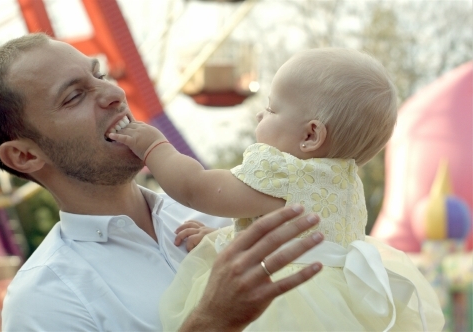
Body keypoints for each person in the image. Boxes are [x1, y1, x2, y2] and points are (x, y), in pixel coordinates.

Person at [0, 32, 327, 331]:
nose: (114, 94)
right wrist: (213, 322)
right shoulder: (45, 300)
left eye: (100, 76)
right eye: (74, 96)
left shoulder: (226, 215)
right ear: (25, 156)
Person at [109, 48, 445, 331]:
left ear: (310, 135)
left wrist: (155, 147)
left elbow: (196, 188)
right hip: (335, 307)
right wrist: (224, 236)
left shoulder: (282, 172)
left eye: (271, 109)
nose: (259, 113)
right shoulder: (344, 183)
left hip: (281, 304)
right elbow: (288, 235)